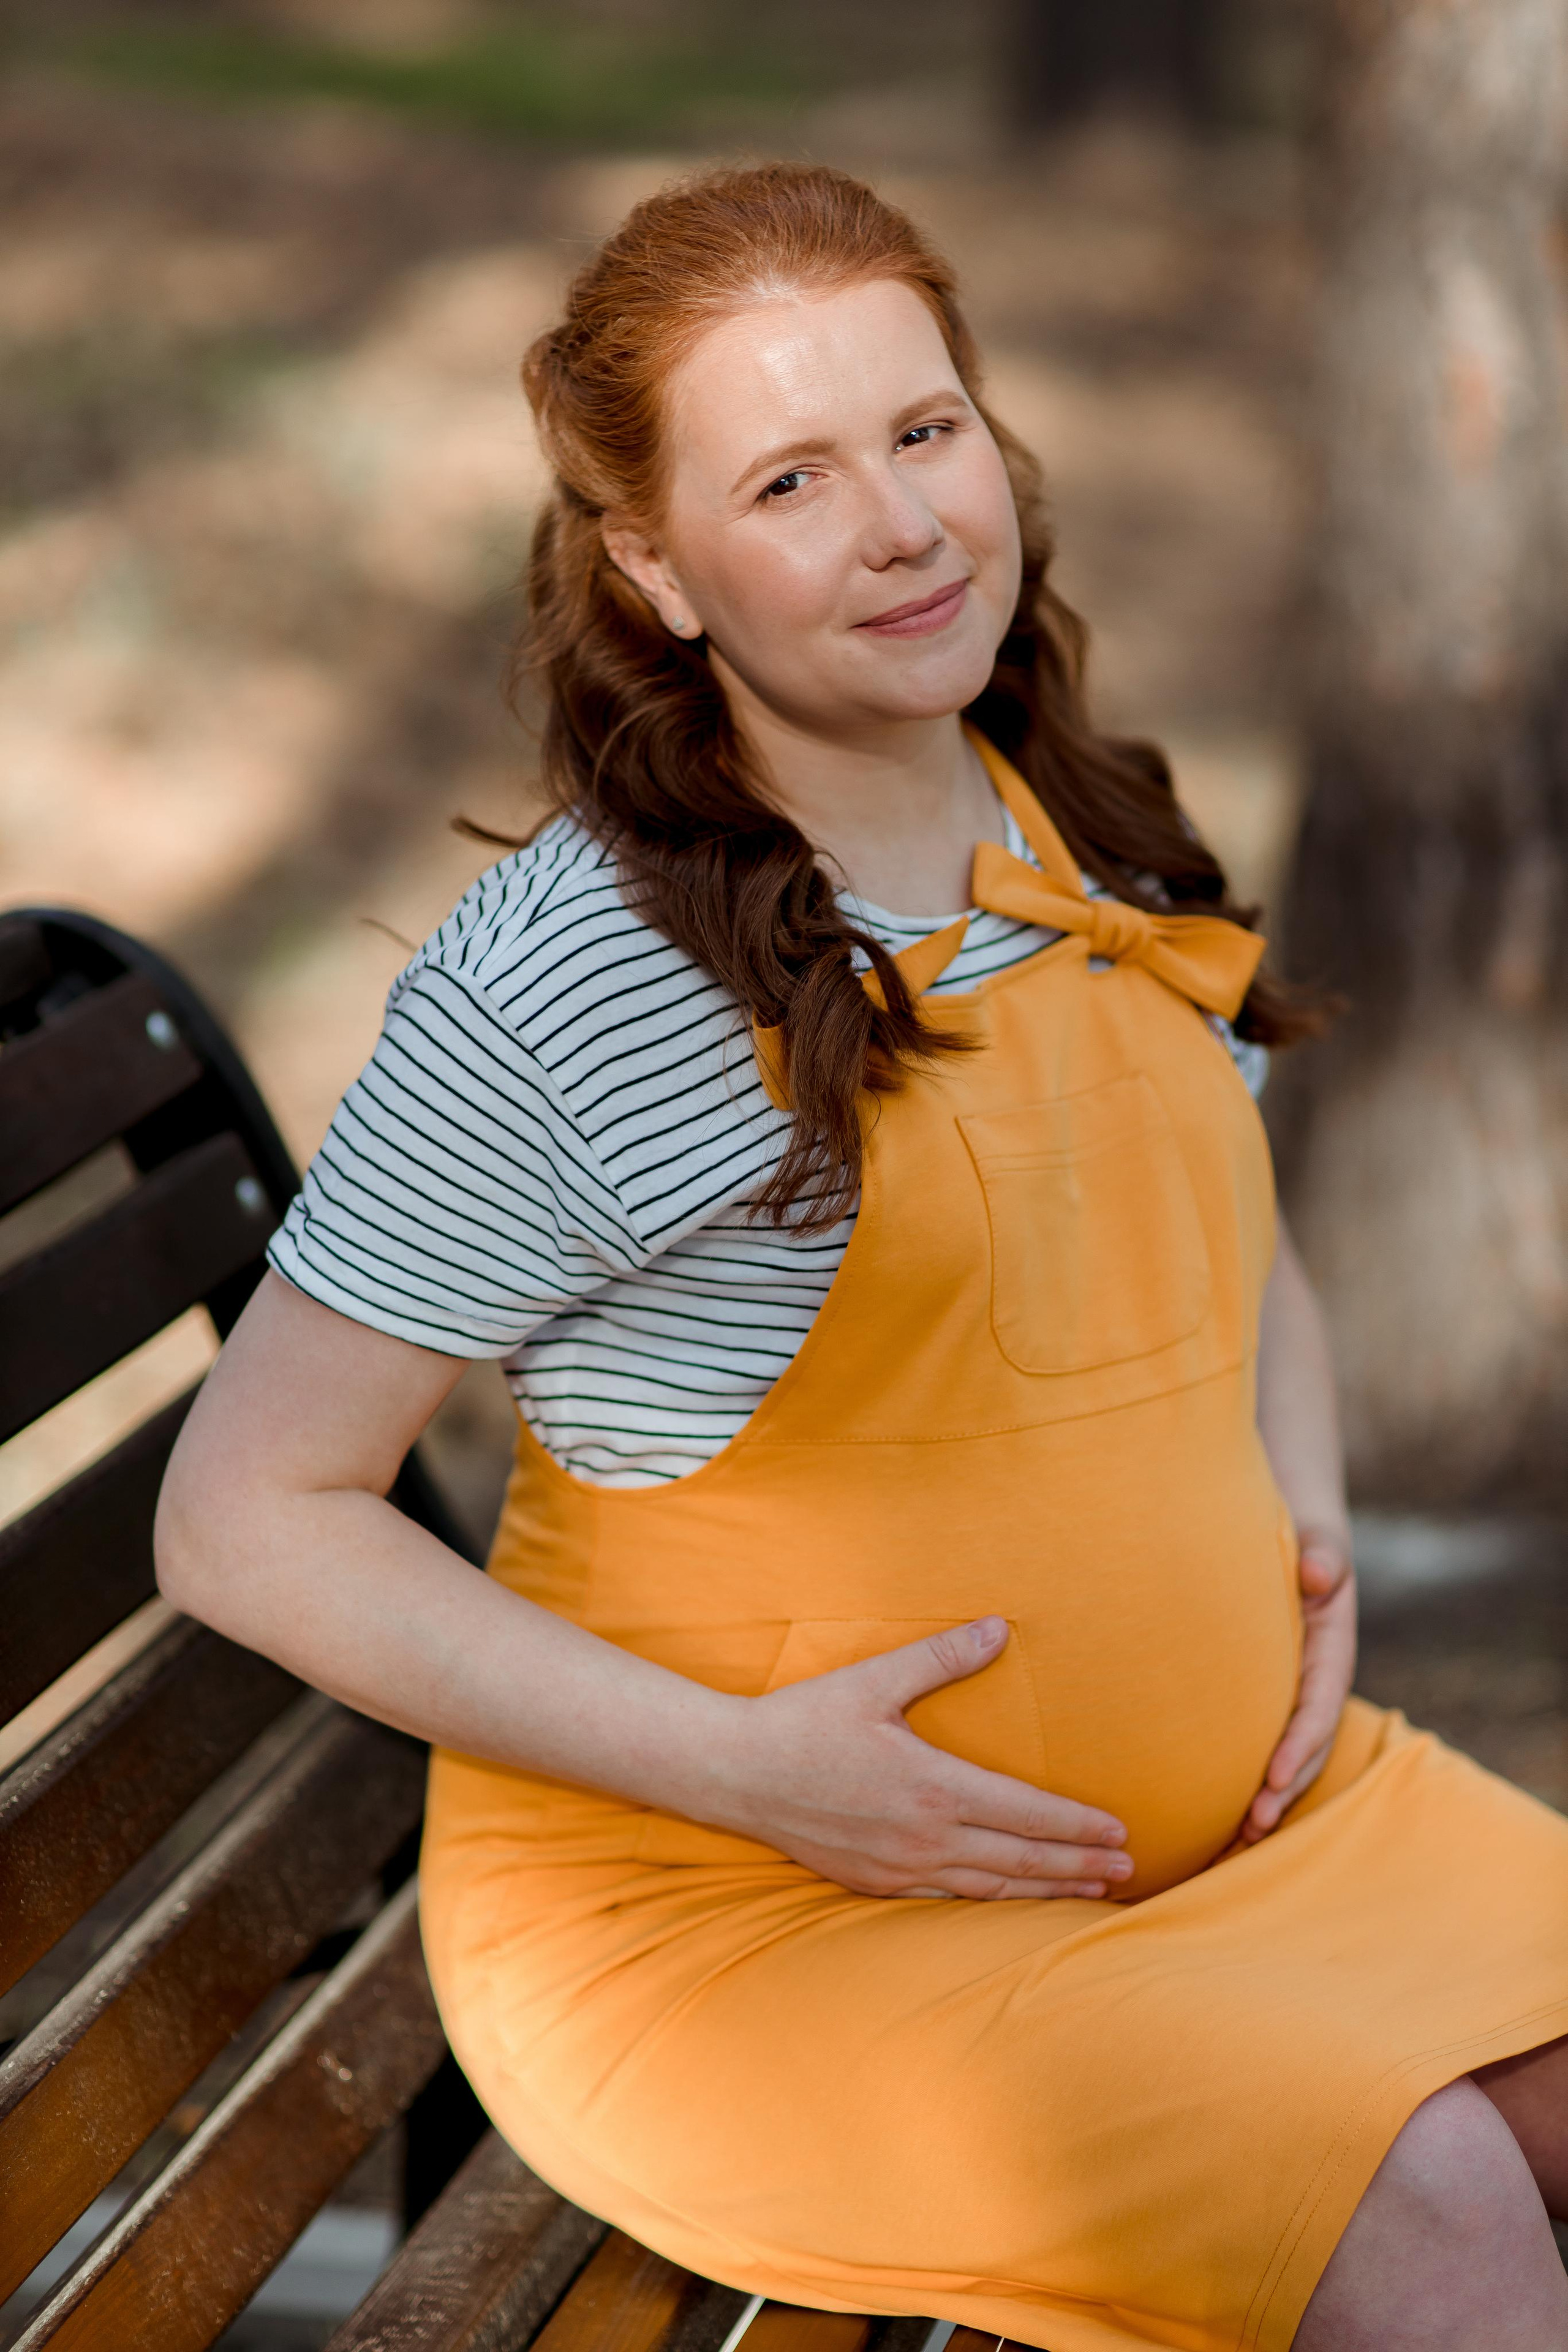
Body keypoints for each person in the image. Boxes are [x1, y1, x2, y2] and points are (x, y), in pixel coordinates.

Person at [156, 165, 1568, 2352]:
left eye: (925, 433)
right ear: (655, 563)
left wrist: (1301, 1529)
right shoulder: (581, 984)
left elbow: (1235, 1239)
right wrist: (751, 1768)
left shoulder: (1053, 806)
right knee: (1437, 2208)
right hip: (754, 1925)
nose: (905, 526)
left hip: (1238, 1847)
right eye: (792, 480)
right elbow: (244, 1520)